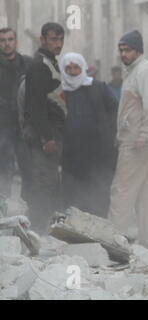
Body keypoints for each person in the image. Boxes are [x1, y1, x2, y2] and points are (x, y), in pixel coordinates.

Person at [108, 30, 148, 249]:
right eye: (121, 50)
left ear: (138, 50)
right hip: (138, 139)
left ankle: (114, 240)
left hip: (138, 142)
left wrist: (143, 135)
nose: (123, 54)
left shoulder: (144, 71)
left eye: (128, 50)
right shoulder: (134, 71)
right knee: (143, 191)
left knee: (122, 189)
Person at [60, 52, 118, 218]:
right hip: (71, 154)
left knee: (98, 192)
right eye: (68, 68)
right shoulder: (60, 91)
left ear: (83, 68)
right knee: (73, 195)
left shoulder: (98, 87)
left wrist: (108, 131)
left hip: (98, 151)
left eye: (76, 68)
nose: (72, 72)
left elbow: (114, 109)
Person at [24, 22, 66, 234]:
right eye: (53, 39)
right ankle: (36, 232)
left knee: (49, 182)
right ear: (42, 40)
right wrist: (46, 137)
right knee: (43, 183)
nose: (57, 44)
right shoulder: (40, 65)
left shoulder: (51, 63)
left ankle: (43, 230)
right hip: (44, 137)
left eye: (60, 39)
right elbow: (36, 106)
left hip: (52, 134)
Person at [0, 27, 32, 200]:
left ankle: (28, 215)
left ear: (15, 41)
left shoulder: (27, 64)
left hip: (23, 128)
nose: (6, 44)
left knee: (28, 171)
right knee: (4, 172)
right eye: (3, 40)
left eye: (10, 39)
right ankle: (2, 214)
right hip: (2, 127)